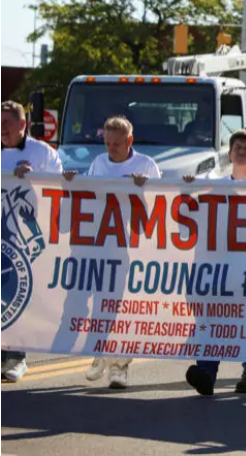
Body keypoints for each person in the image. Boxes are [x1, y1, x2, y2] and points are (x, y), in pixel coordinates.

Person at [64, 116, 161, 389]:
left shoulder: (146, 166)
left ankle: (120, 366)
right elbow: (91, 198)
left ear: (130, 141)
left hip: (132, 248)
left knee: (121, 308)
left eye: (116, 144)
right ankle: (100, 353)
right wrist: (73, 183)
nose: (111, 149)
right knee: (100, 304)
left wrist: (144, 190)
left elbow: (160, 208)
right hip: (101, 245)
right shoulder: (99, 163)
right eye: (107, 143)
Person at [183, 129, 246, 396]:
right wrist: (188, 189)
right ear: (230, 153)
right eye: (238, 147)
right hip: (217, 265)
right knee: (211, 316)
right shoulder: (214, 185)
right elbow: (187, 214)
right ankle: (207, 372)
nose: (243, 151)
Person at [1, 101, 63, 382]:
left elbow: (63, 186)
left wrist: (36, 178)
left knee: (16, 296)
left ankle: (16, 358)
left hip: (24, 240)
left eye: (7, 124)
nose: (2, 129)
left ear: (23, 125)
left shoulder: (42, 153)